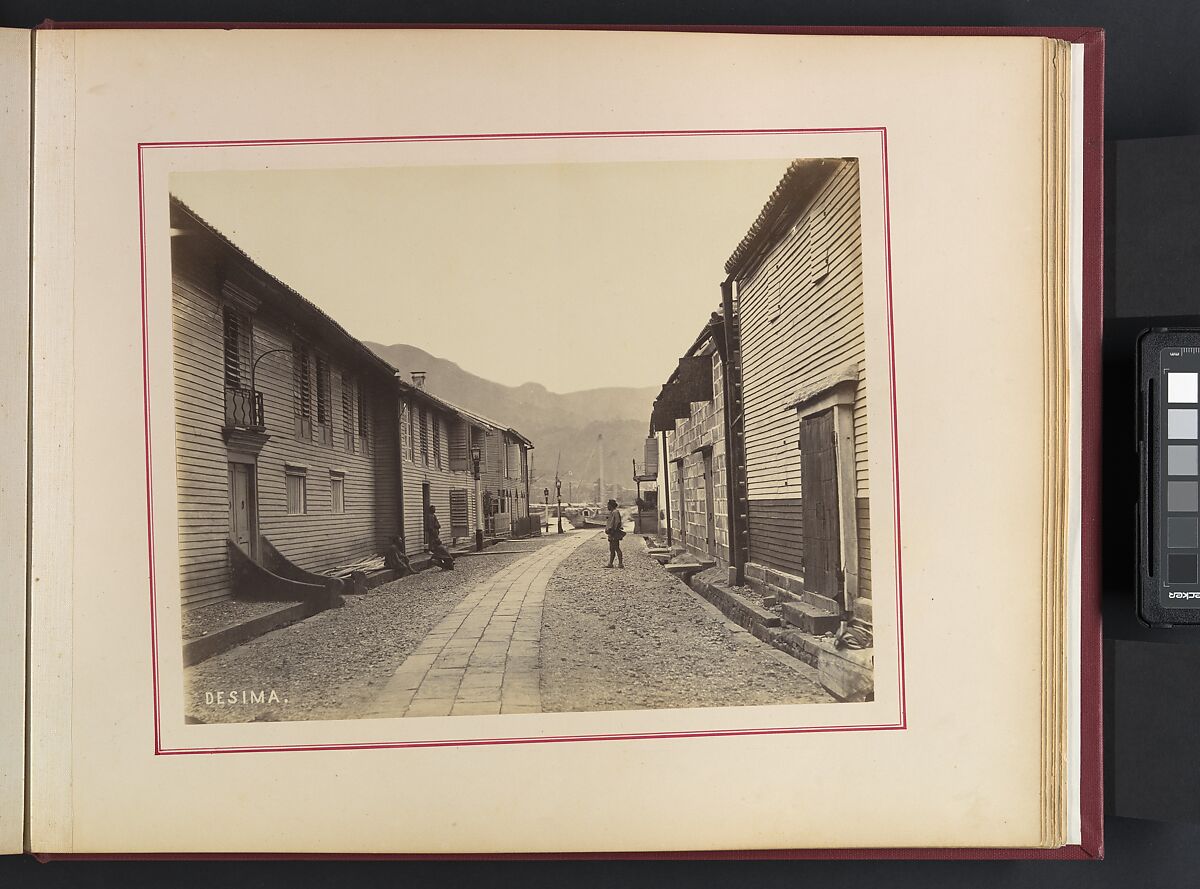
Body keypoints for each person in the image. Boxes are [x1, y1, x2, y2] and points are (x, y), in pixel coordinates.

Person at [426, 504, 456, 571]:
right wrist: (432, 530)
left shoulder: (433, 516)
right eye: (433, 509)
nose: (435, 510)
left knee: (433, 540)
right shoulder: (430, 516)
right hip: (433, 531)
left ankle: (445, 566)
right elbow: (430, 525)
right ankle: (430, 549)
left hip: (435, 530)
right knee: (431, 540)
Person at [604, 498, 625, 568]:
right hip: (611, 533)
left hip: (614, 533)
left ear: (611, 505)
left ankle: (620, 564)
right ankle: (610, 563)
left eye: (608, 505)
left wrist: (614, 531)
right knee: (612, 549)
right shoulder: (612, 512)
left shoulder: (615, 512)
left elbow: (618, 522)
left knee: (616, 548)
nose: (607, 507)